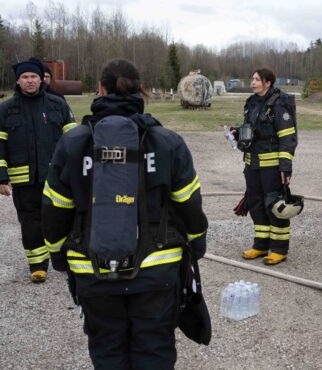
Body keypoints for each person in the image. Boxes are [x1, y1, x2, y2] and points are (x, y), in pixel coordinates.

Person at [42, 58, 208, 368]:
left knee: (107, 349)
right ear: (141, 90)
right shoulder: (167, 142)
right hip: (157, 272)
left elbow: (54, 209)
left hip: (92, 271)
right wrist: (197, 245)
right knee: (154, 349)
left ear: (100, 89)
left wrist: (57, 256)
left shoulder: (73, 143)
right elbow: (189, 204)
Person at [0, 58, 75, 283]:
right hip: (24, 180)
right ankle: (38, 265)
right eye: (25, 77)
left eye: (34, 76)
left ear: (41, 78)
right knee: (31, 222)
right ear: (18, 81)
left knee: (62, 217)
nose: (30, 81)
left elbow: (73, 141)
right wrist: (1, 176)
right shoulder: (5, 109)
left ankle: (66, 260)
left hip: (56, 177)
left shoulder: (58, 104)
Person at [236, 68, 297, 265]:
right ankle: (261, 246)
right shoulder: (252, 103)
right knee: (255, 204)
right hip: (252, 163)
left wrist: (285, 167)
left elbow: (288, 137)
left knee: (273, 205)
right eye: (252, 79)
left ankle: (279, 249)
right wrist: (237, 133)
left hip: (272, 166)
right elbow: (252, 129)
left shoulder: (280, 103)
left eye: (256, 79)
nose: (252, 82)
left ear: (267, 82)